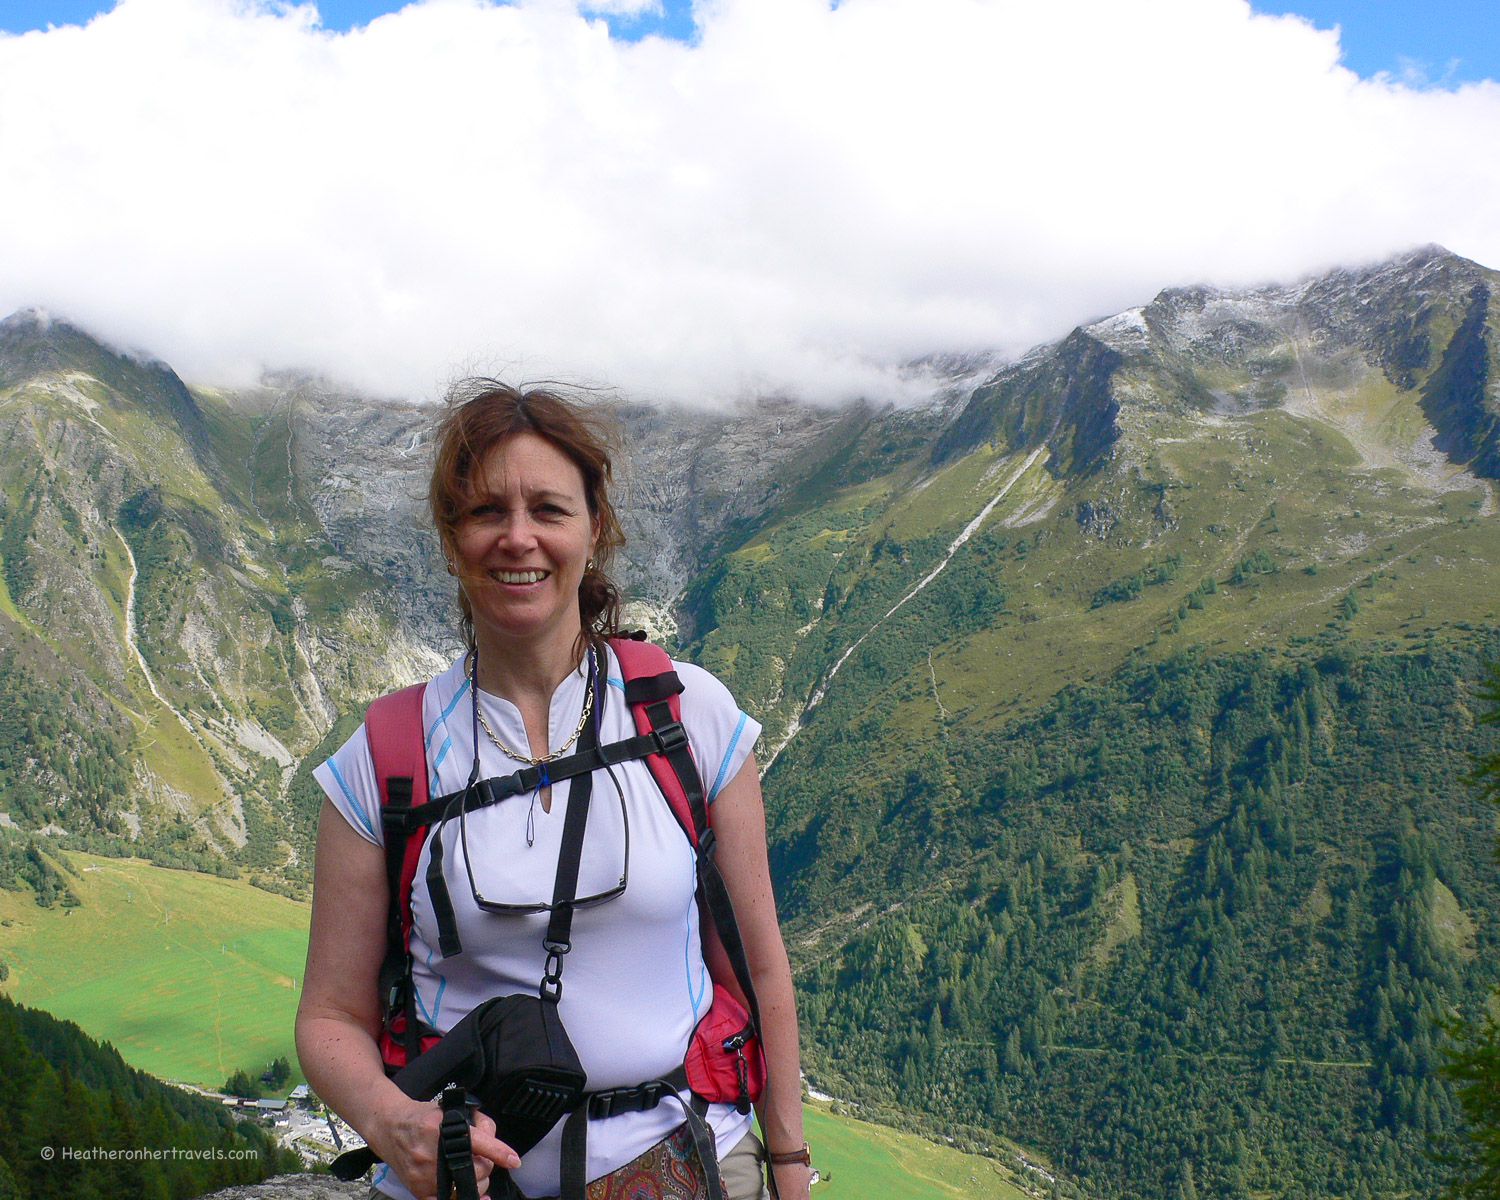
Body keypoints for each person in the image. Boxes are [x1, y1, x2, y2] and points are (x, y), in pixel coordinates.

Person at [295, 381, 813, 1200]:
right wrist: (394, 1125)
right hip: (471, 1185)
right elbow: (329, 1019)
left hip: (691, 1160)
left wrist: (786, 1160)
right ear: (449, 535)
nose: (517, 538)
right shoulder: (385, 757)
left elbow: (758, 970)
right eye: (485, 512)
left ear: (594, 529)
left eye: (548, 509)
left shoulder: (688, 715)